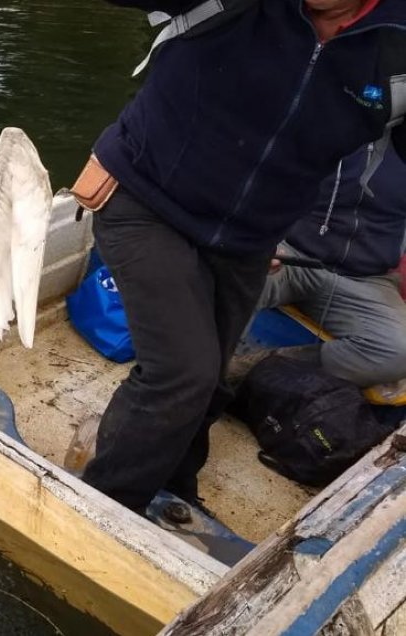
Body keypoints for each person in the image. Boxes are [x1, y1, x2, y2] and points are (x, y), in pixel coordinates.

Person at [76, 0, 406, 515]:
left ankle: (176, 489)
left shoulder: (397, 43)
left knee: (209, 377)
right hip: (144, 198)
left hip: (250, 239)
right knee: (182, 374)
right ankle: (102, 513)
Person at [260, 145, 406, 390]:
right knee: (227, 284)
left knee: (398, 352)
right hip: (290, 253)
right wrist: (261, 238)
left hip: (369, 279)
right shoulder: (333, 119)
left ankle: (264, 370)